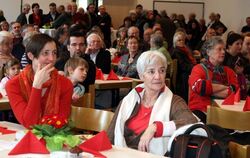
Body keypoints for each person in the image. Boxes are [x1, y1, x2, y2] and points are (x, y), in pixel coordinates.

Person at [107, 50, 197, 156]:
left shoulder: (174, 101)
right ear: (141, 76)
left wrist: (156, 128)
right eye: (151, 71)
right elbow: (111, 134)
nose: (158, 76)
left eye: (162, 71)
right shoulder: (129, 100)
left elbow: (191, 122)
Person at [6, 34, 73, 128]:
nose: (52, 58)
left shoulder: (65, 84)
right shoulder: (13, 85)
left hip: (55, 138)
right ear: (30, 56)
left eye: (54, 52)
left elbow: (60, 123)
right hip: (26, 138)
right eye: (45, 53)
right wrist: (37, 86)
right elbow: (29, 123)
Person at [189, 37, 238, 123]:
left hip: (224, 112)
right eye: (219, 49)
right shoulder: (198, 68)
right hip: (201, 110)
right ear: (208, 52)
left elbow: (234, 91)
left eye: (223, 49)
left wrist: (208, 90)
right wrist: (225, 88)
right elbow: (201, 87)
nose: (223, 52)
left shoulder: (229, 71)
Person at [171, 31, 196, 102]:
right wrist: (194, 68)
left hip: (186, 72)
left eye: (183, 40)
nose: (181, 42)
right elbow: (183, 66)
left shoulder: (184, 49)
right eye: (179, 40)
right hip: (181, 76)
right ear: (175, 41)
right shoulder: (176, 51)